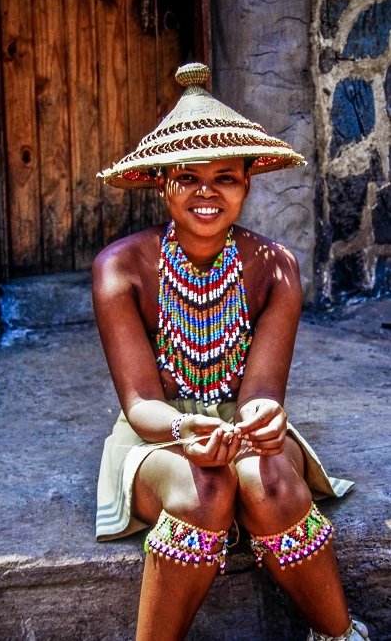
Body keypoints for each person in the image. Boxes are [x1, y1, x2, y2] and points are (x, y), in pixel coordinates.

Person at [94, 63, 369, 641]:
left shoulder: (276, 268)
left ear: (247, 182)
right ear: (161, 181)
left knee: (267, 481)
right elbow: (142, 401)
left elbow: (262, 393)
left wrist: (266, 420)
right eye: (188, 177)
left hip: (243, 430)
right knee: (207, 488)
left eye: (226, 177)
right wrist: (185, 430)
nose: (206, 192)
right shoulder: (120, 268)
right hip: (158, 433)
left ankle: (342, 637)